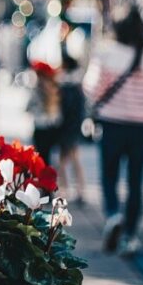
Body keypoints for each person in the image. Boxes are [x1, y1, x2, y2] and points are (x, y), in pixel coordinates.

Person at [83, 7, 143, 256]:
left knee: (109, 175)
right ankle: (130, 236)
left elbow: (91, 89)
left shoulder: (106, 54)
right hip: (142, 127)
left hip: (112, 123)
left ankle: (113, 214)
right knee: (136, 181)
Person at [58, 50, 86, 203]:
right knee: (75, 159)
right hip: (75, 127)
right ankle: (80, 191)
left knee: (63, 161)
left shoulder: (64, 85)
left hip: (65, 128)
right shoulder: (78, 85)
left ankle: (64, 191)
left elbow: (63, 110)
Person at [26, 61, 62, 165]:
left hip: (40, 126)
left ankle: (43, 178)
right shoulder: (54, 87)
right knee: (48, 157)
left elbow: (29, 106)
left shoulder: (37, 88)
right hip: (52, 127)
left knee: (40, 157)